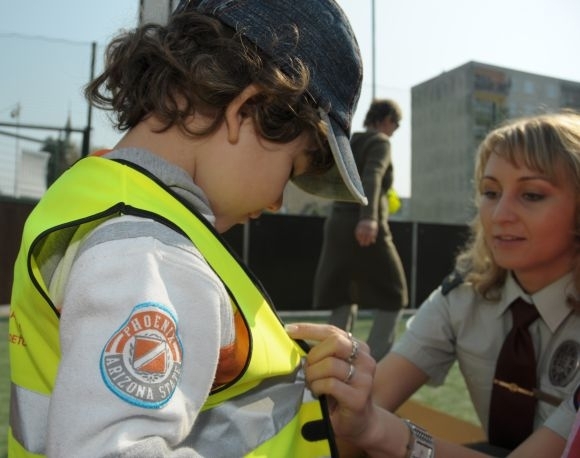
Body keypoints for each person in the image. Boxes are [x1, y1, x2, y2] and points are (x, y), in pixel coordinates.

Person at [7, 0, 367, 456]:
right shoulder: (147, 252)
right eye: (293, 166)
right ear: (250, 110)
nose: (278, 200)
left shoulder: (95, 197)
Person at [289, 110, 580, 458]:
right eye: (490, 192)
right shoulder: (463, 297)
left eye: (532, 195)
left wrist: (384, 432)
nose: (500, 214)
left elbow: (372, 424)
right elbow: (364, 408)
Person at [312, 99, 409, 361]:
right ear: (385, 119)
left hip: (337, 225)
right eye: (396, 123)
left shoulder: (350, 141)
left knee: (343, 294)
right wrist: (369, 218)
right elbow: (373, 175)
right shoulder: (380, 142)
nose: (396, 129)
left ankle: (335, 360)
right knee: (396, 293)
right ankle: (372, 363)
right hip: (363, 225)